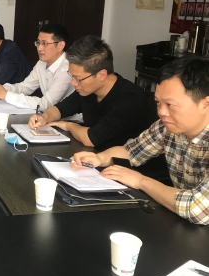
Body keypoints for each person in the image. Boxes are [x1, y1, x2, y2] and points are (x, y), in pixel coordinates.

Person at [71, 56, 209, 225]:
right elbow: (133, 151)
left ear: (205, 104)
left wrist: (141, 181)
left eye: (170, 104)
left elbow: (197, 209)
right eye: (158, 103)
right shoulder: (167, 127)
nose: (161, 112)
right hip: (183, 222)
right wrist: (99, 158)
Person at [28, 35, 150, 151]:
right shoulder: (88, 90)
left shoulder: (130, 99)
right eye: (71, 76)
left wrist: (68, 125)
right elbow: (60, 108)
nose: (73, 83)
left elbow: (90, 139)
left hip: (123, 163)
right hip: (94, 156)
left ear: (102, 74)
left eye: (78, 79)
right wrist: (44, 118)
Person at [0, 23, 74, 111]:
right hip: (49, 116)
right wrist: (1, 89)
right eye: (38, 43)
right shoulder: (41, 63)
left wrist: (7, 95)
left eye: (44, 43)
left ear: (60, 46)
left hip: (69, 119)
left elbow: (47, 103)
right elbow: (24, 87)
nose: (39, 48)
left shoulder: (67, 69)